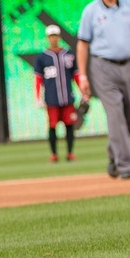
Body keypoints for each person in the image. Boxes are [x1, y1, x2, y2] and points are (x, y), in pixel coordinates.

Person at [76, 0, 130, 180]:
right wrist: (82, 75)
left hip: (129, 64)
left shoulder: (129, 6)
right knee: (116, 115)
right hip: (102, 67)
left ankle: (114, 154)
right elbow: (82, 44)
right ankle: (126, 167)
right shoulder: (91, 11)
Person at [34, 24, 81, 162]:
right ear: (48, 38)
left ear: (59, 36)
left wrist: (83, 91)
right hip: (52, 97)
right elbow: (38, 78)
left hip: (67, 96)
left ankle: (70, 153)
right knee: (53, 126)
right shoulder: (42, 57)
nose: (53, 38)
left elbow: (76, 75)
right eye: (51, 36)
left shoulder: (68, 54)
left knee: (69, 125)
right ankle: (54, 154)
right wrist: (38, 97)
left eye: (55, 35)